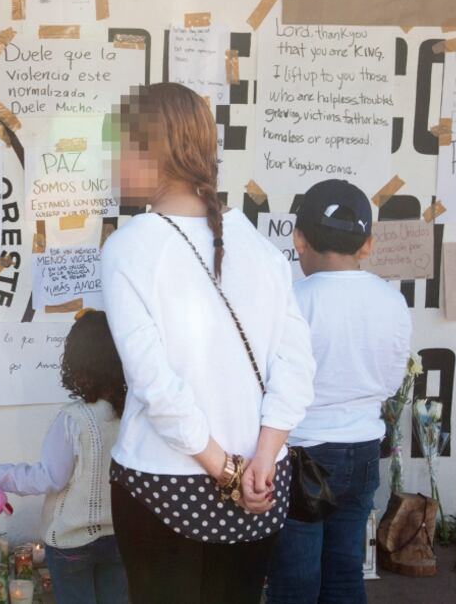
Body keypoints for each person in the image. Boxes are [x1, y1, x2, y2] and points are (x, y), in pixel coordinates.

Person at [101, 82, 316, 603]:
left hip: (163, 482)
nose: (110, 163)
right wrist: (260, 462)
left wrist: (228, 471)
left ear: (150, 151)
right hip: (262, 486)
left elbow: (156, 388)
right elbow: (297, 366)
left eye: (117, 148)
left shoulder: (129, 248)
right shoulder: (259, 248)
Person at [266, 180, 412, 604]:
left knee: (295, 578)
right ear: (367, 245)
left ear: (298, 238)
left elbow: (274, 384)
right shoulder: (392, 301)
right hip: (364, 448)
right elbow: (389, 383)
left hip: (302, 454)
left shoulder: (292, 300)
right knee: (346, 572)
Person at [0, 310, 129, 604]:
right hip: (119, 537)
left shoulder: (73, 421)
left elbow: (48, 477)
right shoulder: (131, 416)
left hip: (71, 542)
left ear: (77, 362)